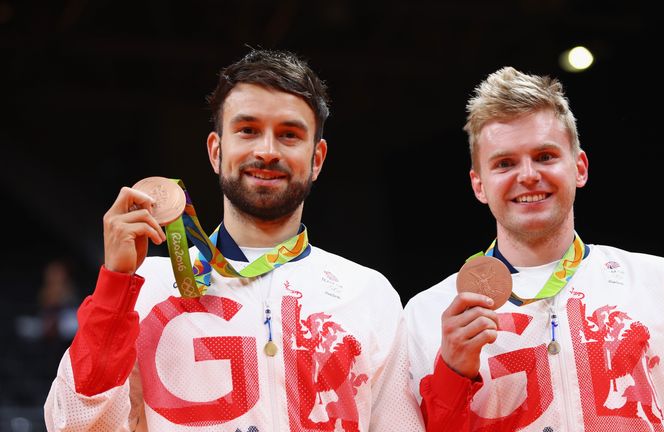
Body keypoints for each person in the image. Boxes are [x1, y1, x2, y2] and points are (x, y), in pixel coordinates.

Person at [44, 48, 425, 432]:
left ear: (317, 159)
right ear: (215, 150)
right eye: (248, 130)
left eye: (289, 135)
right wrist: (116, 284)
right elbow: (74, 425)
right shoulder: (149, 289)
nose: (266, 151)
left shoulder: (369, 294)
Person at [404, 66, 664, 431]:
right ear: (479, 184)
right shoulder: (429, 313)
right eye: (505, 163)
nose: (528, 175)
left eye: (545, 156)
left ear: (579, 168)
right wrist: (451, 372)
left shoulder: (657, 282)